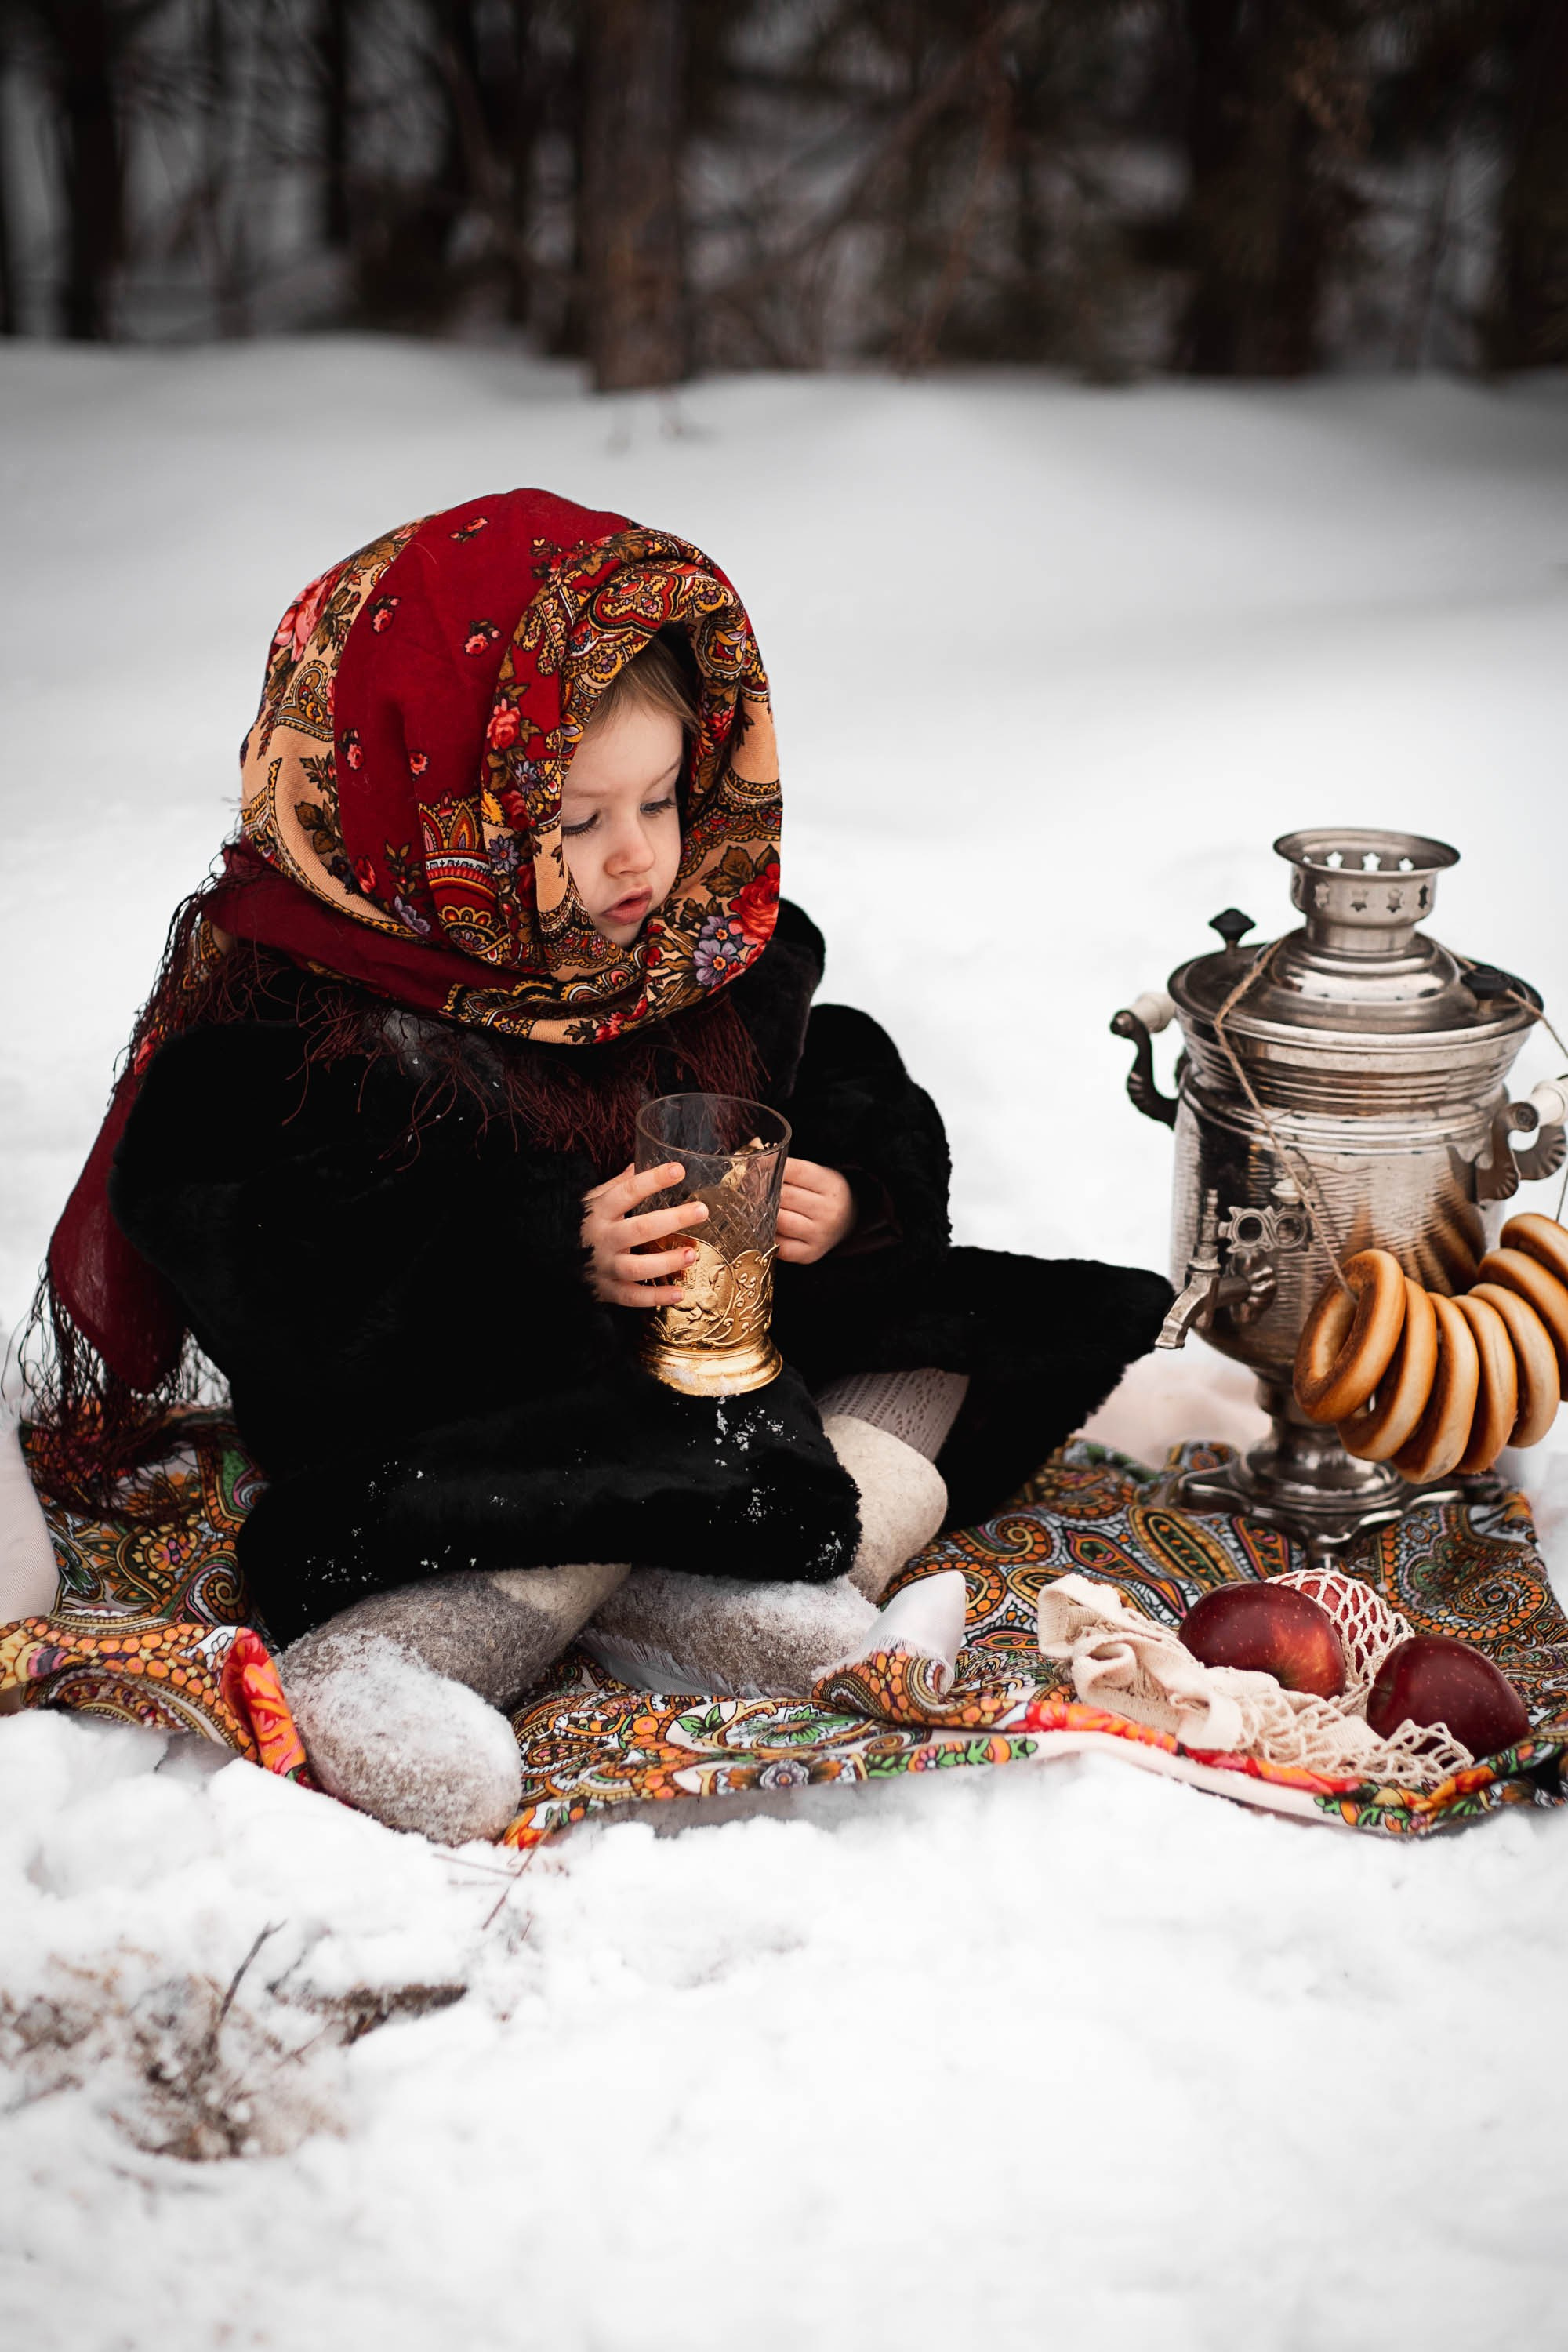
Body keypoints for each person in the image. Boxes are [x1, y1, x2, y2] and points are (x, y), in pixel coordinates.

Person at [33, 488, 1171, 1840]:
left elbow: (847, 1067)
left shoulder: (694, 945)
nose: (637, 857)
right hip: (455, 1404)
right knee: (609, 1445)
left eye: (660, 798)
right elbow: (263, 1253)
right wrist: (546, 1258)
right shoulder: (312, 1022)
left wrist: (852, 1185)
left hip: (693, 1360)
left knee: (955, 1331)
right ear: (436, 815)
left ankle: (758, 1568)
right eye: (574, 823)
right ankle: (402, 1658)